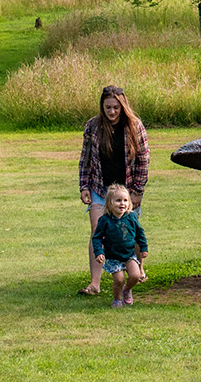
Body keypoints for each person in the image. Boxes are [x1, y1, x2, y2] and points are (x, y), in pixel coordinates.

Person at [77, 85, 149, 296]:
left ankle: (137, 269)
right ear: (102, 107)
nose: (112, 112)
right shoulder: (93, 126)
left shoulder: (135, 126)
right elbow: (85, 159)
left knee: (131, 231)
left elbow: (144, 159)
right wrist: (84, 186)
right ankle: (95, 284)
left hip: (127, 190)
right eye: (108, 107)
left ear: (123, 106)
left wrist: (137, 190)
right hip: (100, 187)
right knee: (97, 232)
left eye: (116, 107)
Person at [91, 184, 149, 307]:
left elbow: (140, 233)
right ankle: (117, 299)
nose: (122, 203)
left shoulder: (131, 217)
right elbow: (96, 238)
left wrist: (143, 248)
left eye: (125, 200)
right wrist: (99, 252)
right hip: (113, 257)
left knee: (135, 275)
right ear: (109, 203)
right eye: (118, 201)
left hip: (129, 255)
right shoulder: (105, 220)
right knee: (119, 279)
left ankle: (126, 290)